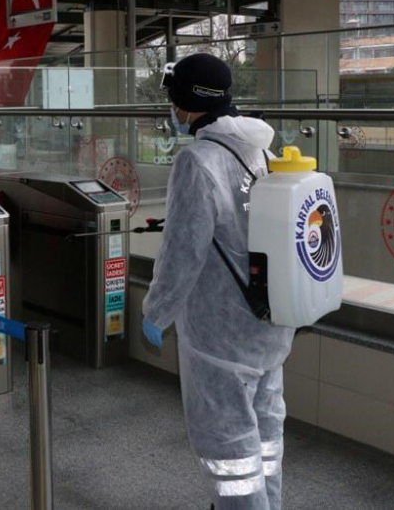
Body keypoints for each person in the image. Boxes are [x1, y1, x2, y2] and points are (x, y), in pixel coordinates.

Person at [142, 53, 294, 510]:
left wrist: (156, 311)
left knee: (229, 449)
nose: (171, 111)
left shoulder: (199, 161)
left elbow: (182, 251)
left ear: (187, 102)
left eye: (173, 100)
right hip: (270, 320)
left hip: (220, 337)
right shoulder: (263, 151)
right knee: (266, 433)